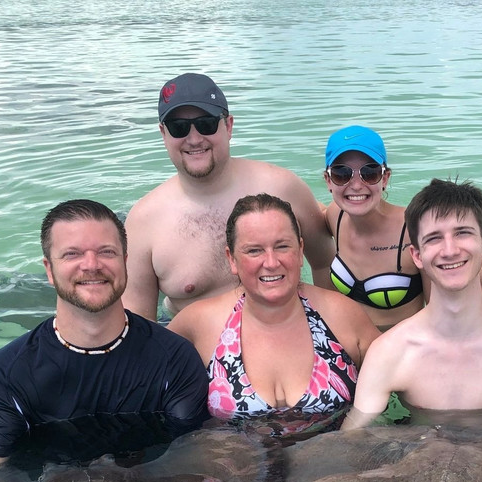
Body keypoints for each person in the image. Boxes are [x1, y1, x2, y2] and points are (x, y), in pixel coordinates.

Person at [0, 199, 208, 467]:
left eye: (106, 252)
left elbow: (194, 457)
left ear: (125, 262)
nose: (91, 265)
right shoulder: (5, 374)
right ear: (49, 270)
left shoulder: (175, 360)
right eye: (72, 254)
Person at [345, 179, 482, 431]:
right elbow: (351, 439)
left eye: (462, 233)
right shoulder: (389, 351)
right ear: (417, 256)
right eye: (433, 238)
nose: (449, 250)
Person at [123, 72, 334, 320]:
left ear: (229, 125)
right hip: (194, 347)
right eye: (178, 128)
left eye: (206, 124)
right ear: (163, 134)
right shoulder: (143, 222)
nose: (193, 139)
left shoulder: (283, 187)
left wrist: (326, 328)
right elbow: (138, 322)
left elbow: (323, 264)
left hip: (284, 327)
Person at [168, 193, 379, 438]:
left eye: (282, 246)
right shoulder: (198, 323)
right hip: (238, 471)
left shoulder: (343, 315)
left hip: (329, 468)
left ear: (300, 251)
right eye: (254, 250)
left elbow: (396, 380)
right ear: (232, 259)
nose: (271, 262)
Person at [320, 125, 424, 330]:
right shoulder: (335, 216)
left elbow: (438, 311)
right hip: (347, 346)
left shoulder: (414, 229)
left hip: (399, 353)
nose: (356, 185)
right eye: (342, 173)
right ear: (328, 181)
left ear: (385, 178)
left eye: (369, 172)